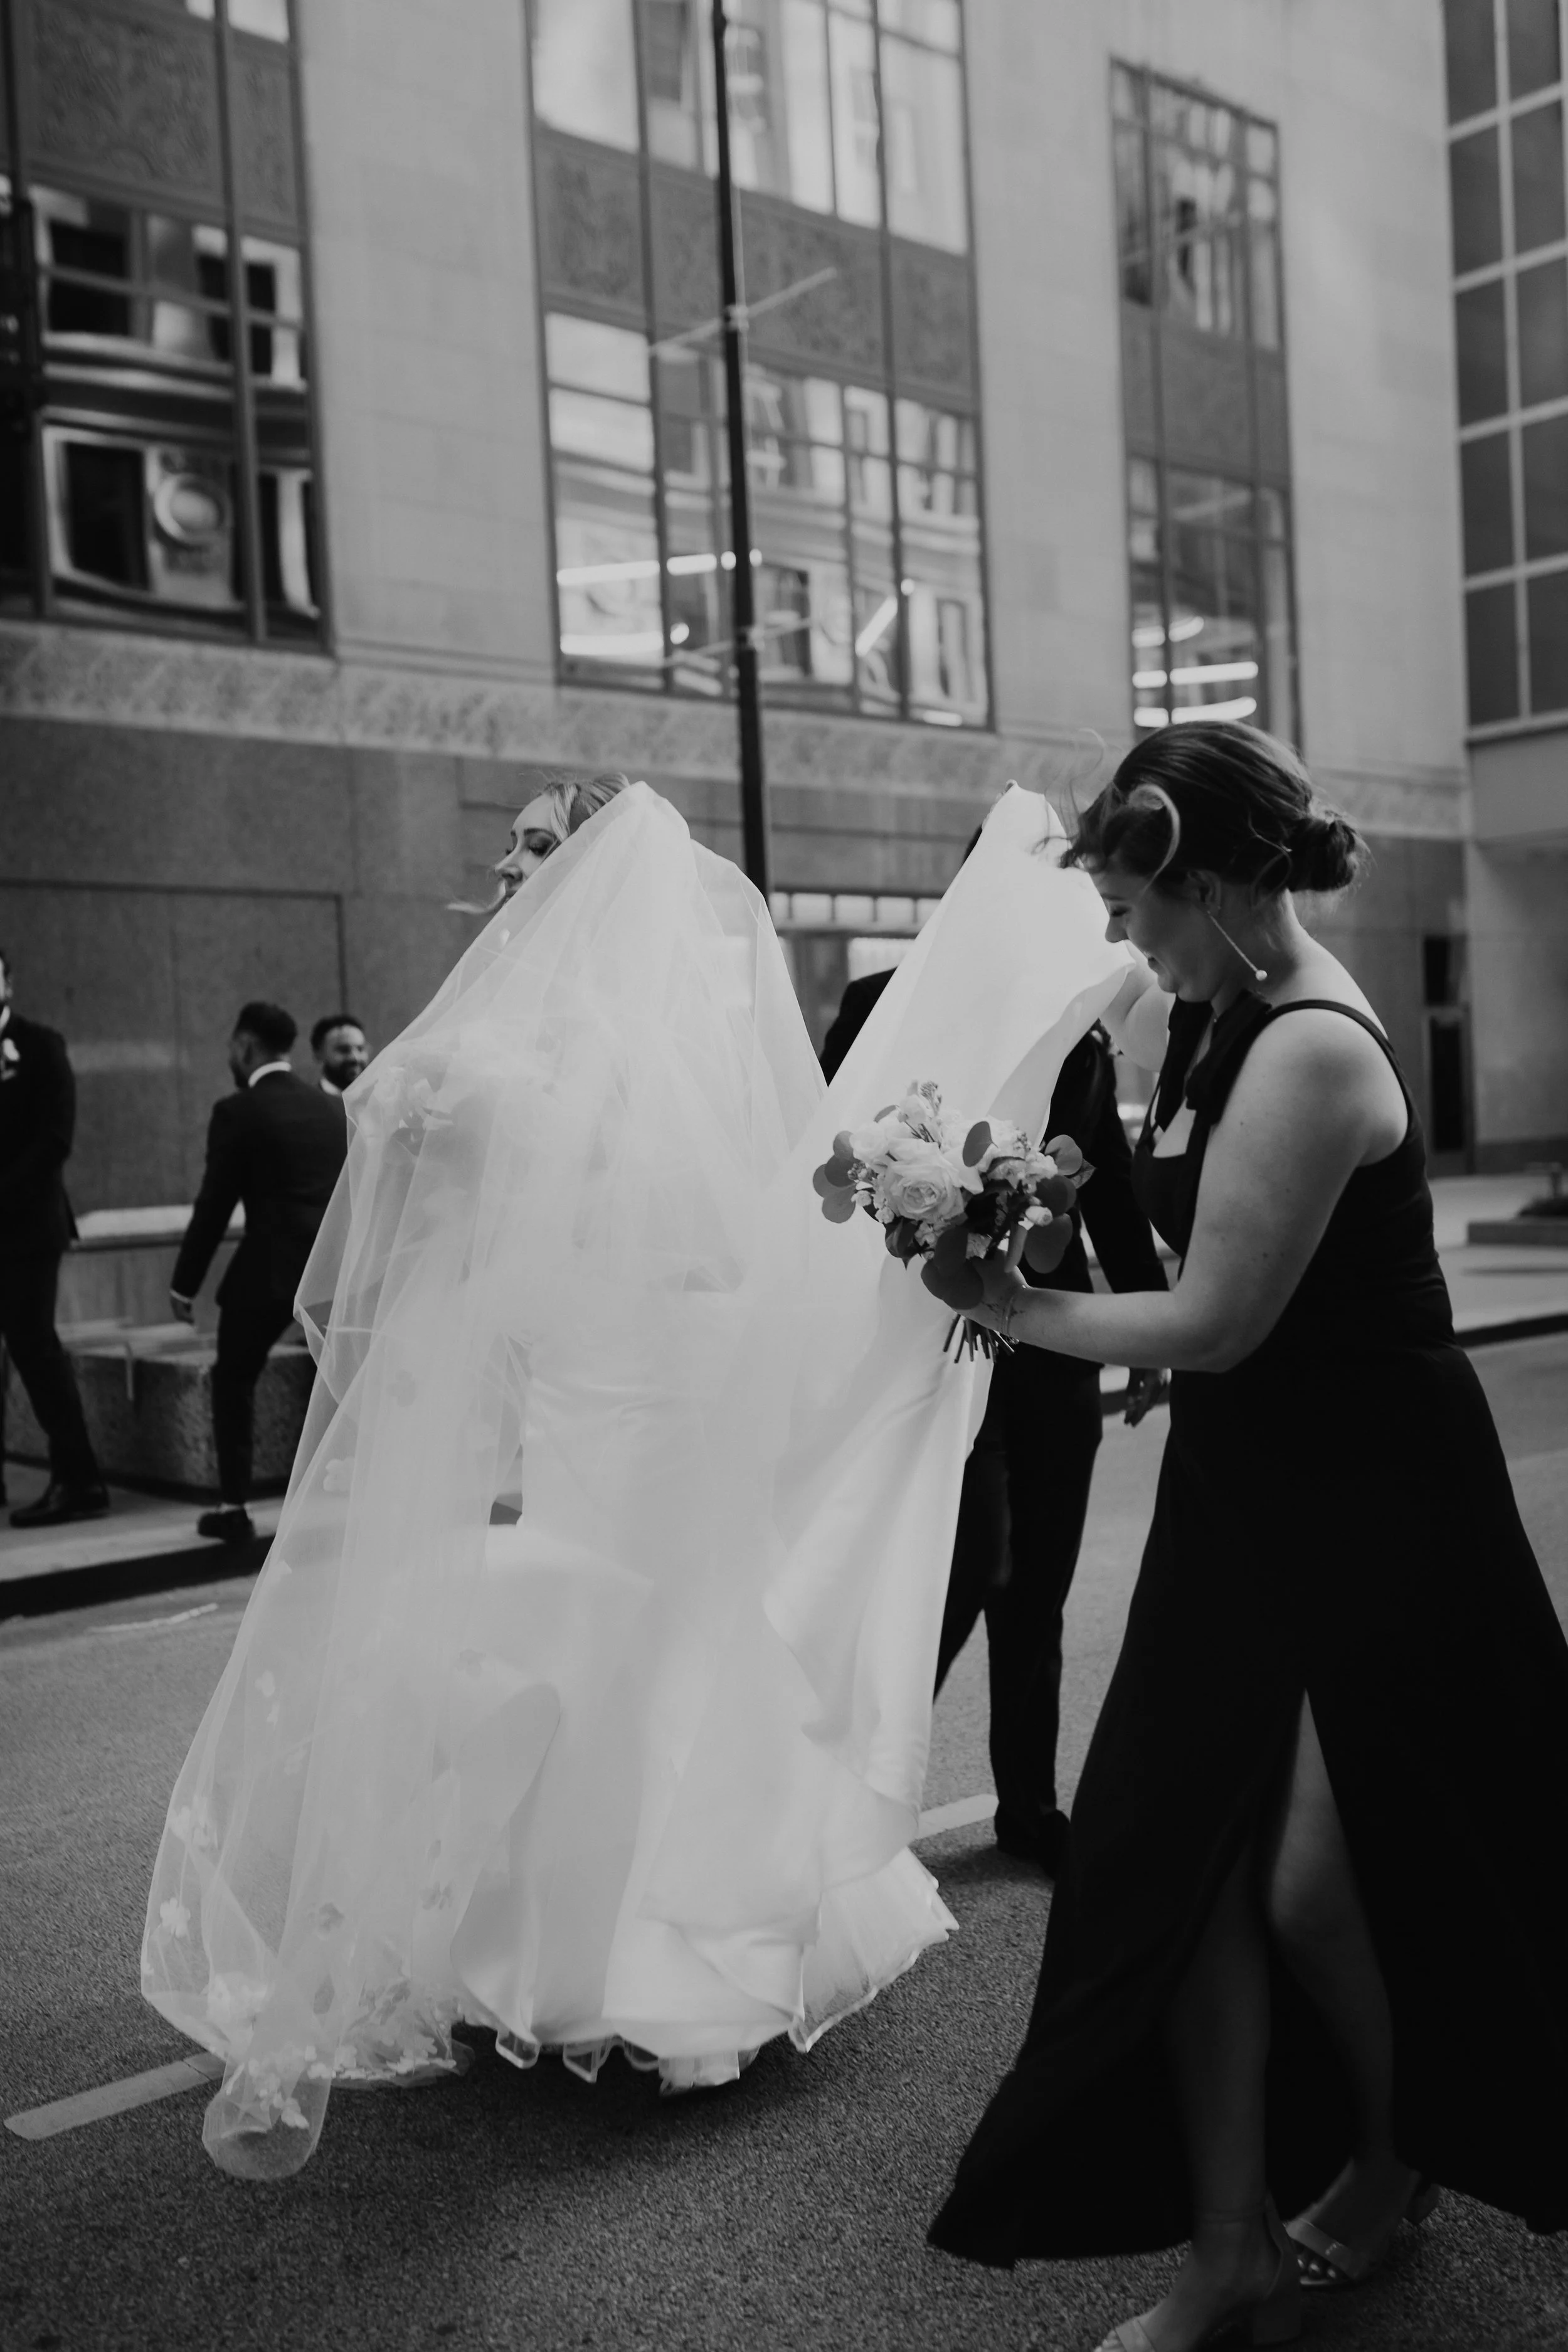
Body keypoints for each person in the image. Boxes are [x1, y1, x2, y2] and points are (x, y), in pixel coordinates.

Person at [142, 775, 1135, 2179]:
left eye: (537, 842)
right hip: (583, 1409)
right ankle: (564, 1962)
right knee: (575, 1657)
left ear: (593, 870)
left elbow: (647, 1251)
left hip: (626, 1406)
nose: (506, 860)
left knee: (622, 1659)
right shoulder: (571, 1044)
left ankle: (650, 1984)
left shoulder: (543, 1055)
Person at [926, 723, 1568, 2351]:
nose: (1122, 931)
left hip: (1365, 1501)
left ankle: (1396, 2137)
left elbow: (1219, 1315)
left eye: (1136, 899)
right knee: (1188, 1874)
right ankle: (1228, 2246)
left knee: (1300, 1885)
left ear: (1205, 880)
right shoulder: (1222, 1009)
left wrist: (1006, 1296)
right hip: (1255, 1482)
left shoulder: (1304, 1047)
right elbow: (1228, 1288)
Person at [822, 967, 1168, 1875]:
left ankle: (1030, 1805)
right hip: (924, 1343)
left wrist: (1144, 1329)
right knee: (961, 1565)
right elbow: (823, 1158)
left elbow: (1110, 1198)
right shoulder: (881, 1000)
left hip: (1045, 1338)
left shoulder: (1083, 1037)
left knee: (1040, 1576)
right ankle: (846, 1802)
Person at [170, 1002, 347, 1546]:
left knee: (234, 1379)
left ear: (245, 1046)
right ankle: (347, 1495)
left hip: (267, 1273)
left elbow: (214, 1203)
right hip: (332, 1269)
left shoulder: (237, 1112)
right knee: (344, 1381)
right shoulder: (329, 1109)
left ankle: (234, 1504)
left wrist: (185, 1282)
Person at [0, 946, 109, 1528]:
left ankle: (80, 1478)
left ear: (8, 982)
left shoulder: (41, 1045)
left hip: (26, 1227)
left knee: (34, 1347)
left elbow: (54, 1140)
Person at [310, 1014, 369, 1096]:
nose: (355, 1058)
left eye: (360, 1049)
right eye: (344, 1050)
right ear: (319, 1053)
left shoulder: (379, 1101)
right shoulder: (307, 1103)